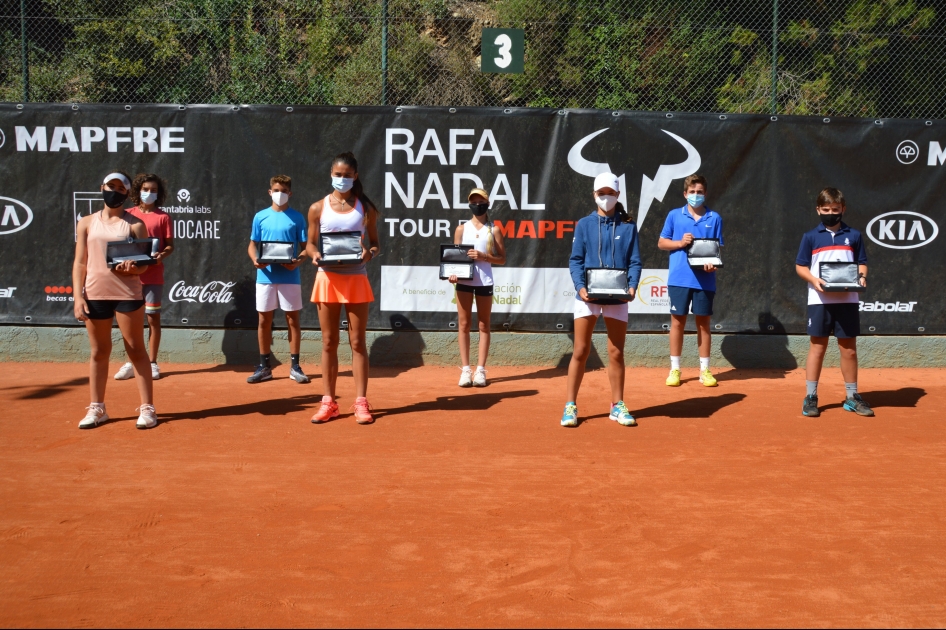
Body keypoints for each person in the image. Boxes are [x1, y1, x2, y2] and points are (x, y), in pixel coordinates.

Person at [72, 172, 157, 430]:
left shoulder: (135, 225)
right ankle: (97, 408)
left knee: (135, 350)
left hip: (127, 295)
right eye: (112, 186)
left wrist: (134, 268)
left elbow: (143, 267)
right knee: (99, 352)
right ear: (103, 188)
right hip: (95, 294)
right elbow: (80, 262)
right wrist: (78, 296)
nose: (115, 191)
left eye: (121, 188)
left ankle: (147, 409)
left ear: (127, 194)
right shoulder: (86, 222)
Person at [561, 172, 642, 428]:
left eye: (611, 193)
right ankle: (570, 405)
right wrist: (580, 287)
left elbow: (635, 261)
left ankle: (617, 405)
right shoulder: (584, 224)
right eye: (601, 193)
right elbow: (575, 260)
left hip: (618, 297)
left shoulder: (629, 226)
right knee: (581, 350)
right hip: (588, 296)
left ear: (618, 195)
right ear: (594, 194)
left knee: (616, 352)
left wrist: (632, 287)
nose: (606, 197)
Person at [306, 152, 381, 425]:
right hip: (327, 278)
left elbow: (375, 244)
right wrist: (314, 254)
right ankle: (329, 402)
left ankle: (361, 402)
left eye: (347, 175)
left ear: (355, 176)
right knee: (328, 342)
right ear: (330, 174)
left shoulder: (366, 209)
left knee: (358, 342)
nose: (341, 179)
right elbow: (310, 243)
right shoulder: (317, 208)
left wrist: (369, 254)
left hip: (356, 278)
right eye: (337, 175)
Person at [795, 187, 873, 417]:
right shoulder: (810, 237)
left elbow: (862, 262)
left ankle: (851, 397)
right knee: (817, 348)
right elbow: (801, 266)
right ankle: (811, 396)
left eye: (836, 209)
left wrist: (862, 277)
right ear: (818, 210)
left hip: (847, 300)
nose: (831, 213)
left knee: (848, 350)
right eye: (826, 209)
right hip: (819, 300)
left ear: (843, 209)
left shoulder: (854, 235)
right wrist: (814, 280)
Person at [657, 174, 723, 388]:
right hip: (679, 278)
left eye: (700, 192)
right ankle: (675, 369)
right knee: (677, 322)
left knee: (703, 324)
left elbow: (716, 249)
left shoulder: (714, 218)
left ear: (706, 193)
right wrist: (679, 242)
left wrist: (713, 263)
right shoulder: (674, 215)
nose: (696, 195)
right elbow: (661, 243)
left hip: (705, 281)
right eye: (692, 192)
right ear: (685, 194)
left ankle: (704, 370)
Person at [246, 175, 309, 384]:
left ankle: (295, 367)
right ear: (269, 192)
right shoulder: (260, 217)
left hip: (290, 277)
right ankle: (264, 367)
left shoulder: (297, 218)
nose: (279, 194)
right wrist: (256, 260)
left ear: (289, 193)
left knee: (293, 320)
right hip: (265, 277)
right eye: (276, 190)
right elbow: (252, 245)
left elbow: (306, 248)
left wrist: (297, 262)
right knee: (264, 321)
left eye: (284, 190)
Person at [114, 173, 173, 382]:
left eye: (154, 190)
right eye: (146, 189)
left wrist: (160, 257)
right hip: (129, 277)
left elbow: (169, 246)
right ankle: (131, 362)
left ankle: (153, 362)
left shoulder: (163, 217)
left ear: (159, 193)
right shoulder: (126, 214)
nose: (149, 193)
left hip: (153, 276)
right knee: (130, 321)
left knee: (152, 319)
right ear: (138, 190)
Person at [445, 188, 507, 387]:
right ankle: (465, 370)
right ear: (469, 204)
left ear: (487, 204)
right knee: (463, 325)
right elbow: (456, 258)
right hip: (464, 282)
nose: (477, 204)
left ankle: (480, 370)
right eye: (474, 201)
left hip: (485, 282)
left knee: (483, 325)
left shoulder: (494, 229)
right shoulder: (461, 229)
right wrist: (453, 274)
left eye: (481, 201)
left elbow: (502, 259)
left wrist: (484, 257)